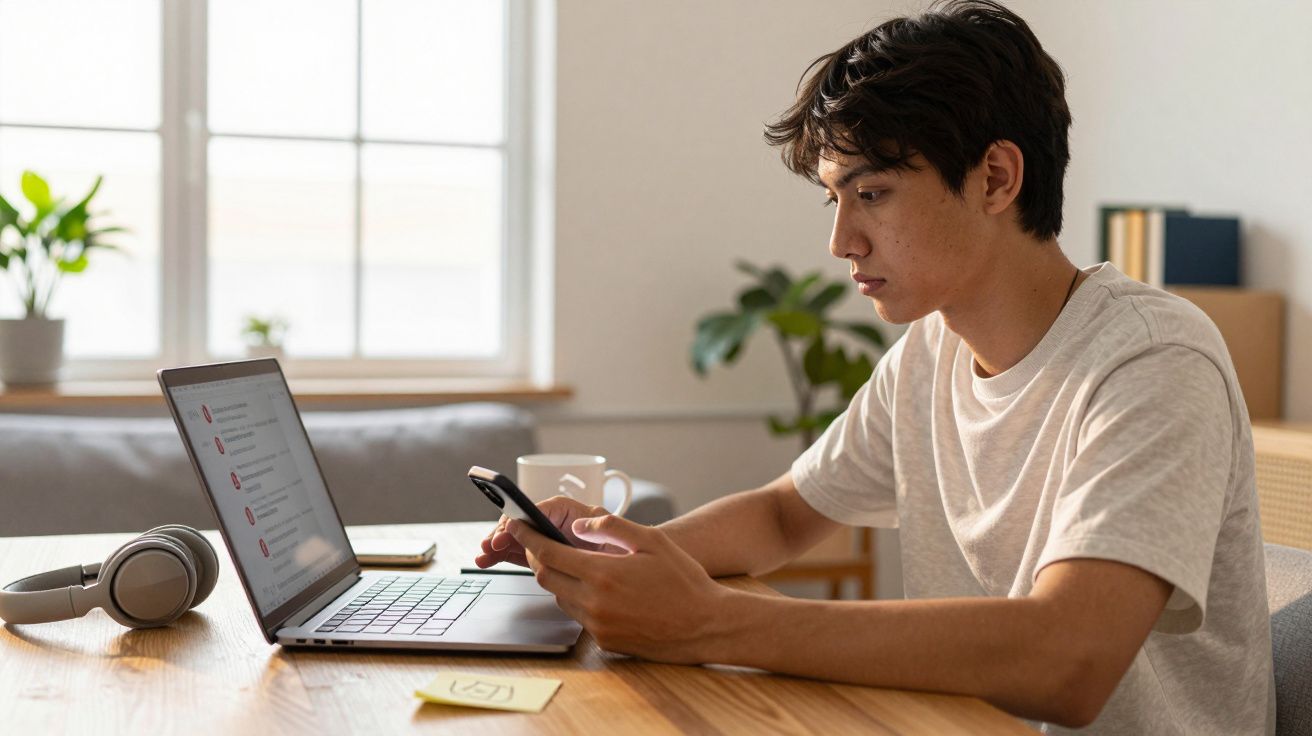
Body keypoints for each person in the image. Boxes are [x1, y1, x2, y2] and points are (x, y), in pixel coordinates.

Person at [476, 1, 1274, 732]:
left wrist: (707, 620)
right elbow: (786, 515)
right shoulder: (929, 352)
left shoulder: (1153, 359)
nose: (841, 241)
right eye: (834, 199)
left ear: (996, 177)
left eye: (875, 193)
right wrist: (609, 564)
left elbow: (1067, 657)